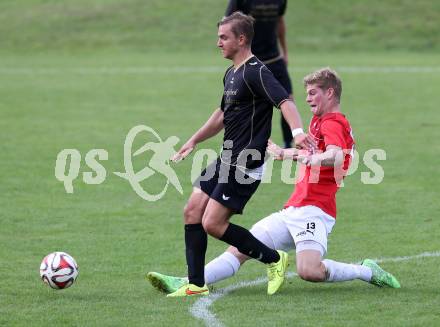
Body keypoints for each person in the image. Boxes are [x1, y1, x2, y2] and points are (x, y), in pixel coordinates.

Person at [147, 68, 401, 294]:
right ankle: (188, 282)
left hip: (316, 211)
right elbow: (316, 154)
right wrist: (283, 153)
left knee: (309, 271)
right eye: (307, 93)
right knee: (240, 250)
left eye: (313, 93)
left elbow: (335, 155)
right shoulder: (319, 121)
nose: (308, 98)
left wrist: (315, 159)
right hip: (292, 210)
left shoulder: (333, 122)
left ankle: (367, 271)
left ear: (330, 93)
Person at [160, 12, 315, 297]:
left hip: (245, 163)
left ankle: (274, 258)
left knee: (213, 224)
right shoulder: (232, 73)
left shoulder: (257, 70)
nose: (218, 43)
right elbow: (222, 114)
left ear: (241, 39)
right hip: (226, 158)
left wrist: (297, 133)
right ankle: (195, 285)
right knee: (192, 211)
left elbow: (285, 101)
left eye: (223, 37)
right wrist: (193, 140)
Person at [225, 0, 294, 148]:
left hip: (275, 58)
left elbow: (280, 22)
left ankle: (289, 143)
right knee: (239, 104)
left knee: (288, 99)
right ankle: (241, 143)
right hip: (251, 60)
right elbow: (227, 23)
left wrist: (285, 51)